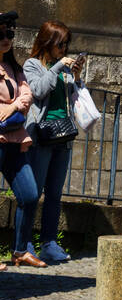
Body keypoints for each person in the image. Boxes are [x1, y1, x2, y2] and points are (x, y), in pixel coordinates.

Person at [22, 21, 81, 265]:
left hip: (63, 136)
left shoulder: (65, 68)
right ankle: (23, 245)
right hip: (42, 136)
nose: (64, 49)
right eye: (60, 44)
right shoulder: (32, 65)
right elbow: (37, 90)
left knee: (54, 194)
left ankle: (49, 243)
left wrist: (76, 76)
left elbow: (73, 96)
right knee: (32, 194)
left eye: (67, 44)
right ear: (48, 42)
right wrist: (57, 67)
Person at [0, 9, 42, 270]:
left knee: (29, 194)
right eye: (0, 33)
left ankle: (20, 250)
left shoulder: (14, 67)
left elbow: (28, 96)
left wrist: (13, 107)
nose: (6, 38)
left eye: (10, 33)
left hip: (16, 140)